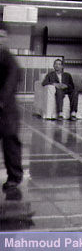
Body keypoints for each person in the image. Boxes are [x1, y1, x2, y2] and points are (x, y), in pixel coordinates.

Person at [0, 31, 23, 199]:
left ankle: (14, 177)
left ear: (7, 38)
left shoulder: (9, 60)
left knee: (10, 144)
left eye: (2, 37)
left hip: (7, 111)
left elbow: (11, 82)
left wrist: (1, 99)